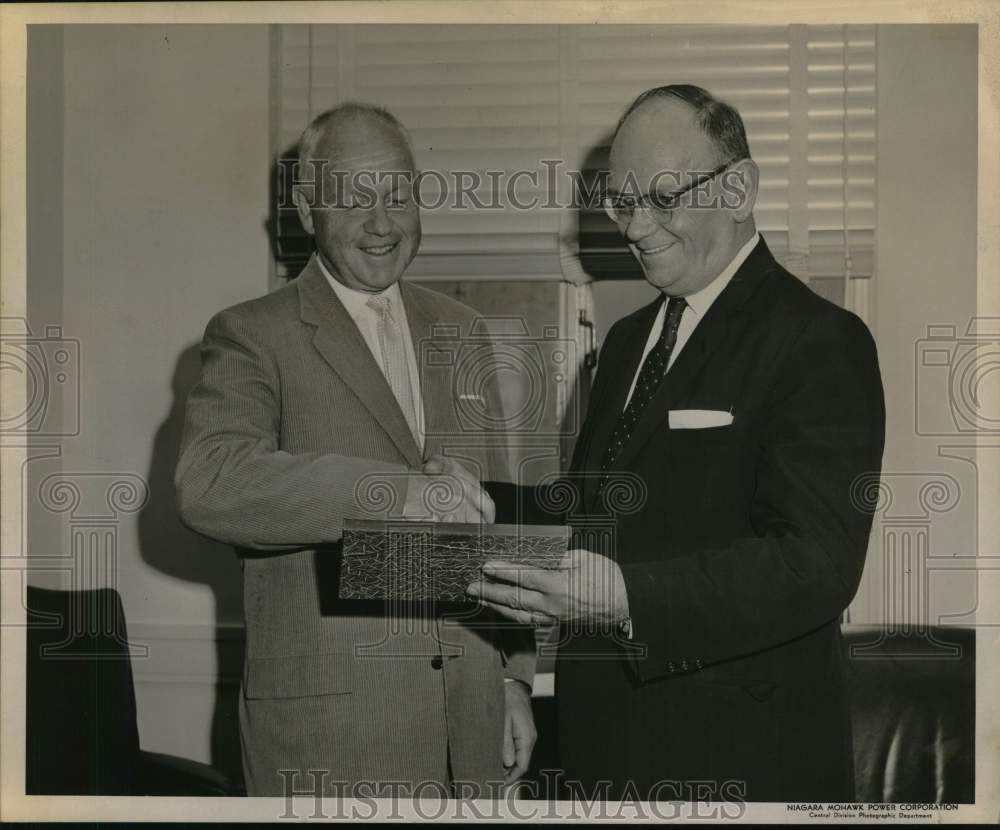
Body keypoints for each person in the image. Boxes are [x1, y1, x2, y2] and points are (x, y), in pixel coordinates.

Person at [470, 85, 886, 802]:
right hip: (604, 749)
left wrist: (628, 596)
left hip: (744, 762)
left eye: (663, 198)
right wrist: (480, 497)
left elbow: (817, 562)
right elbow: (596, 508)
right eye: (622, 202)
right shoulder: (629, 342)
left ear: (740, 188)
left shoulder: (819, 340)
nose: (636, 228)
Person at [175, 102, 536, 798]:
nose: (382, 221)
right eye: (353, 197)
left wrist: (514, 680)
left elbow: (497, 525)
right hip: (331, 744)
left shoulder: (463, 330)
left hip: (473, 734)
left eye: (397, 193)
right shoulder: (251, 333)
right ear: (308, 210)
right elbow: (209, 482)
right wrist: (395, 491)